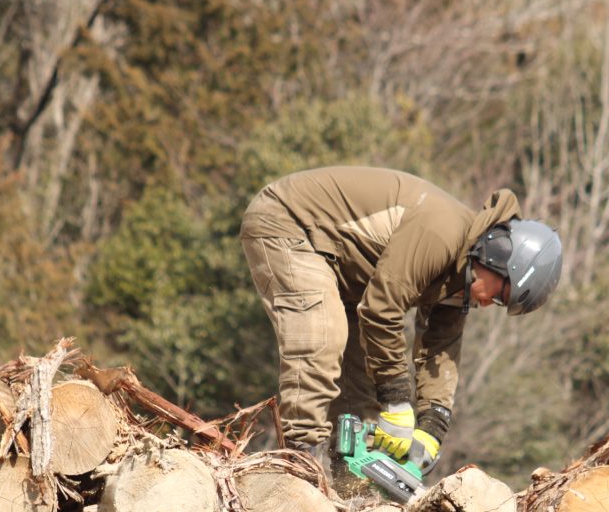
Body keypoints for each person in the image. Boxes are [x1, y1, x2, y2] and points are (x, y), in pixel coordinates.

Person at [240, 166, 562, 479]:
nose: (490, 304)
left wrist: (432, 426)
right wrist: (396, 401)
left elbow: (440, 353)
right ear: (499, 257)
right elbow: (381, 310)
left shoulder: (460, 281)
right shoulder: (441, 233)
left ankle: (349, 480)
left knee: (363, 409)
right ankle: (300, 459)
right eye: (500, 295)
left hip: (346, 272)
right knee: (324, 334)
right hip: (289, 224)